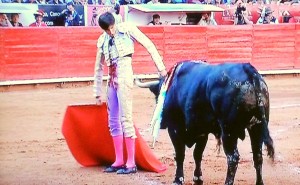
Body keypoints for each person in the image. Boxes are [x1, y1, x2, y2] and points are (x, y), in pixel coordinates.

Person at [94, 12, 167, 174]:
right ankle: (119, 160)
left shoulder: (127, 29)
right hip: (111, 79)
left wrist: (161, 68)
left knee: (125, 118)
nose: (111, 32)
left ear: (114, 23)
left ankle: (131, 163)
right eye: (107, 30)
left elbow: (148, 44)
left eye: (112, 28)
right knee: (113, 120)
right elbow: (98, 68)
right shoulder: (103, 39)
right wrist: (97, 91)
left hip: (125, 73)